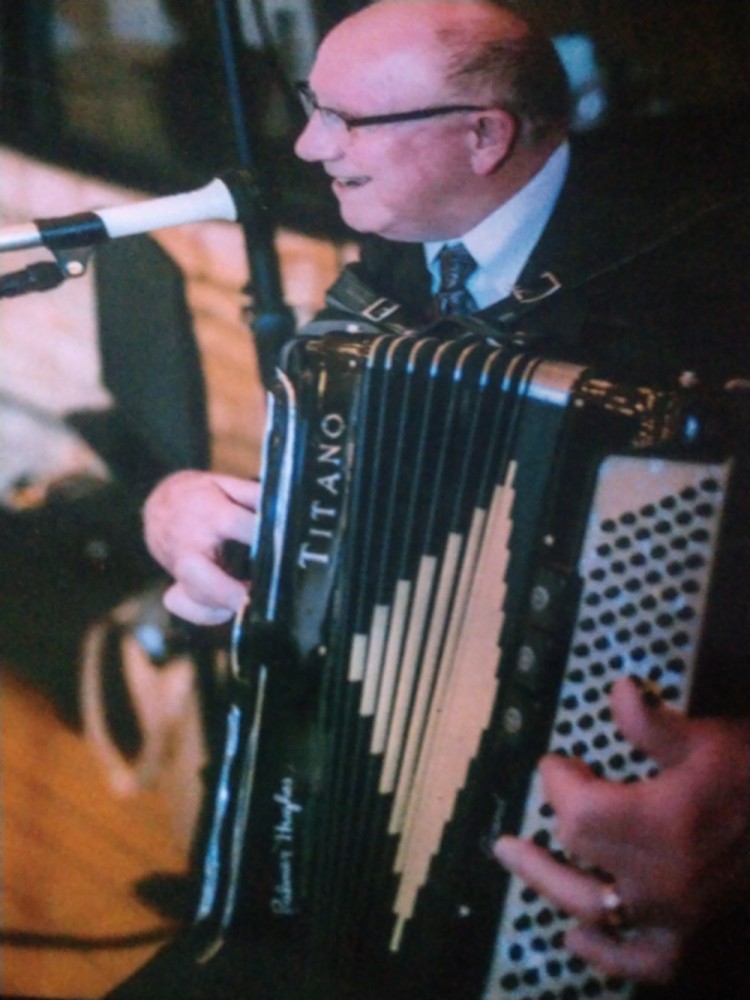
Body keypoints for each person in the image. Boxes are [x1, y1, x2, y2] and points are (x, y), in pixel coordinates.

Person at [142, 0, 750, 993]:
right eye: (310, 106)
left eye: (346, 120)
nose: (306, 144)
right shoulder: (406, 247)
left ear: (484, 134)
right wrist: (180, 508)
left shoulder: (715, 273)